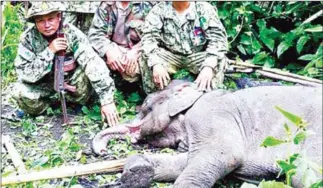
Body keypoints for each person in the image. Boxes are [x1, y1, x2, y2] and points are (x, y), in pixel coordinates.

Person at [11, 2, 119, 127]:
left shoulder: (72, 34)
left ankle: (75, 102)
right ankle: (48, 105)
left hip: (72, 82)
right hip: (44, 84)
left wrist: (107, 101)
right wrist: (50, 51)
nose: (47, 25)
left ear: (59, 17)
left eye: (50, 19)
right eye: (41, 21)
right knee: (19, 91)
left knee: (88, 73)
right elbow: (25, 73)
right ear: (35, 22)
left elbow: (92, 62)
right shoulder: (28, 38)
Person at [140, 2, 228, 93]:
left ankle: (209, 94)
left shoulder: (203, 9)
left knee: (219, 60)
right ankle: (156, 98)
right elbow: (148, 38)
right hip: (171, 56)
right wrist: (156, 64)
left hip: (197, 56)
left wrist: (208, 66)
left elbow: (217, 39)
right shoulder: (159, 10)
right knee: (147, 57)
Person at [88, 1, 156, 84]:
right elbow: (96, 34)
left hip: (137, 50)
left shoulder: (147, 4)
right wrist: (109, 50)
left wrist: (136, 50)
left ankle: (139, 90)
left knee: (138, 70)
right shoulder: (106, 5)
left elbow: (155, 35)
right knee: (91, 61)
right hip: (114, 48)